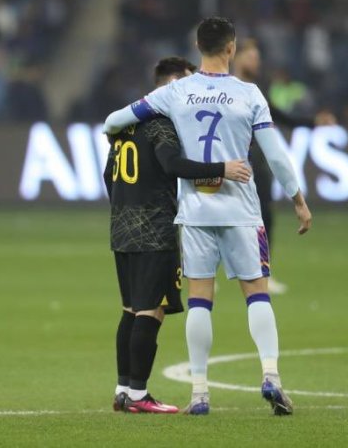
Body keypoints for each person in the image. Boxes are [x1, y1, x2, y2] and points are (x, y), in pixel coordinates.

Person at [104, 17, 312, 416]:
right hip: (241, 210)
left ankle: (199, 393)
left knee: (200, 300)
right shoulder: (249, 94)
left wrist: (113, 135)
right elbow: (276, 155)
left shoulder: (175, 92)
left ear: (198, 47)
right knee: (257, 292)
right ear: (231, 48)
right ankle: (271, 376)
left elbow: (115, 120)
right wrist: (298, 200)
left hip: (195, 212)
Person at [105, 56, 253, 415]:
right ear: (173, 85)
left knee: (129, 310)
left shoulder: (125, 125)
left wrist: (126, 207)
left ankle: (123, 389)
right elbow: (172, 165)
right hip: (155, 230)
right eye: (188, 84)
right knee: (150, 311)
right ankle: (139, 395)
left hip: (122, 227)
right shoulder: (162, 124)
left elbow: (109, 174)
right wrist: (222, 169)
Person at [233, 39, 335, 294]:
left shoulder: (256, 89)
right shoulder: (228, 87)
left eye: (258, 57)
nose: (256, 62)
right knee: (228, 217)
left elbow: (278, 115)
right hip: (232, 161)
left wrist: (312, 121)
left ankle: (261, 271)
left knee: (263, 216)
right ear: (236, 57)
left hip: (254, 158)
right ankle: (216, 274)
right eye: (251, 57)